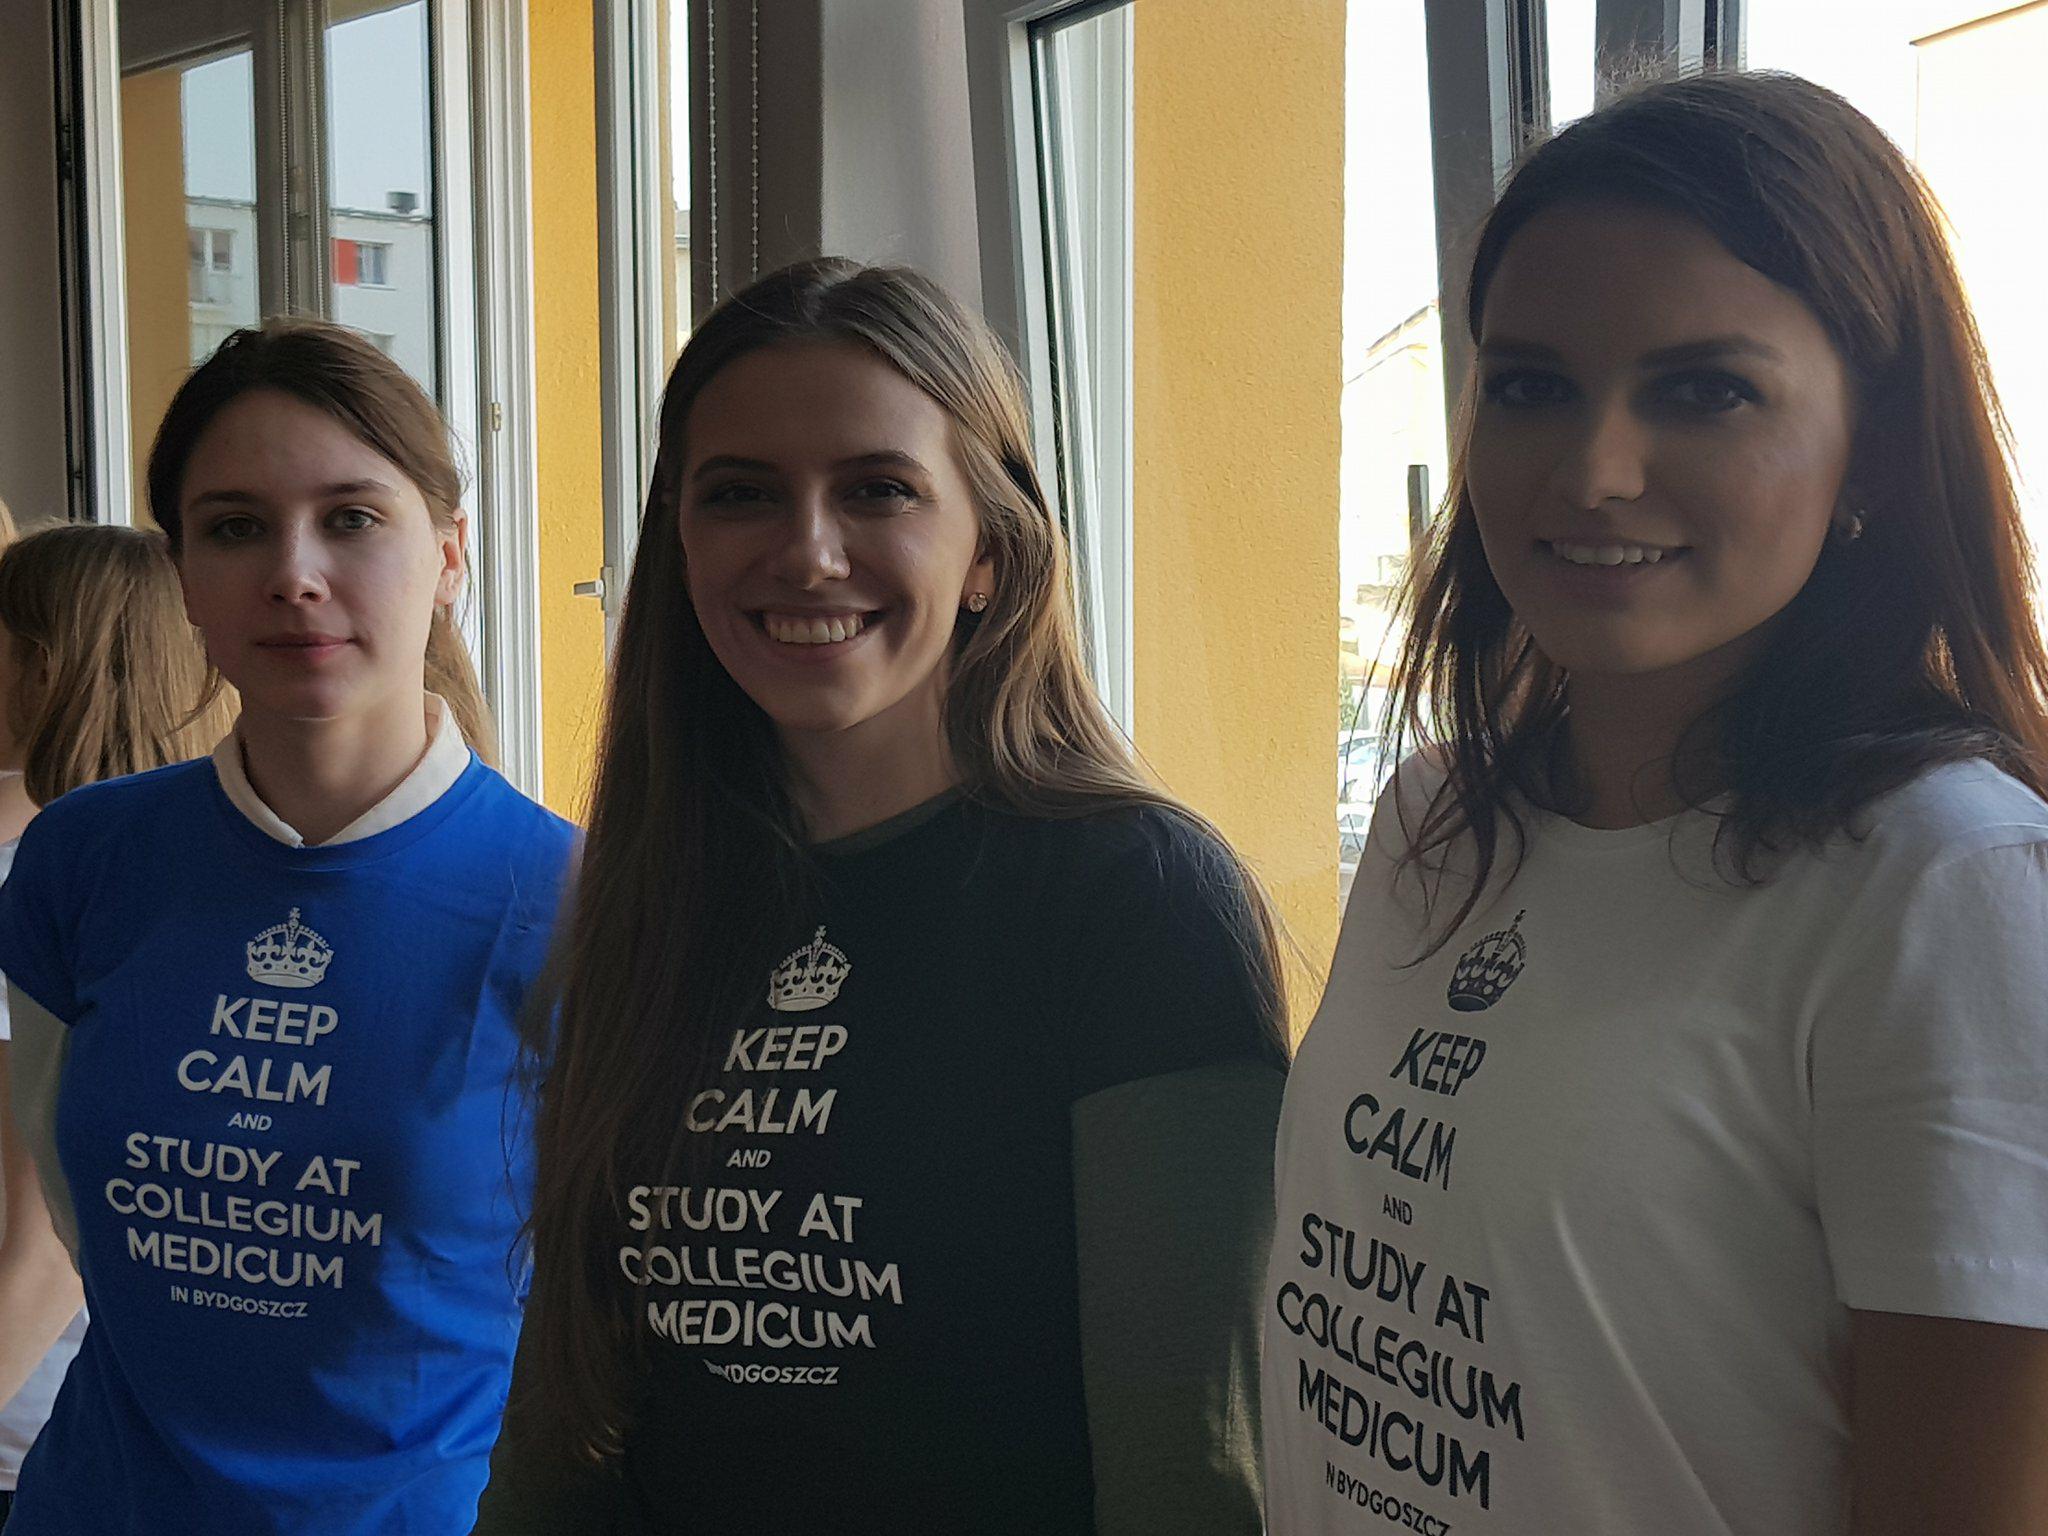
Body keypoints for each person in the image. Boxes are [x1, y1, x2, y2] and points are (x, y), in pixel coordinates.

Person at [1260, 71, 2048, 1536]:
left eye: (1703, 390)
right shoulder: (1437, 820)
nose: (1592, 472)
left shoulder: (1944, 889)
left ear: (1874, 449)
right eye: (1530, 385)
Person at [473, 259, 1289, 1535]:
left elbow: (1189, 1474)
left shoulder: (1139, 900)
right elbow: (564, 1436)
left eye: (877, 490)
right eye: (740, 494)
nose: (806, 552)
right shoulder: (653, 894)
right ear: (679, 543)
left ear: (988, 552)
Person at [0, 321, 577, 1535]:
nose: (294, 574)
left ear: (450, 554)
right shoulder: (80, 861)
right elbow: (75, 1215)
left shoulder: (573, 901)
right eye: (235, 528)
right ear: (182, 575)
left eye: (352, 518)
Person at [0, 515, 224, 1528]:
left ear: (41, 671)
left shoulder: (44, 885)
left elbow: (43, 1251)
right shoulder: (166, 877)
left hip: (29, 1427)